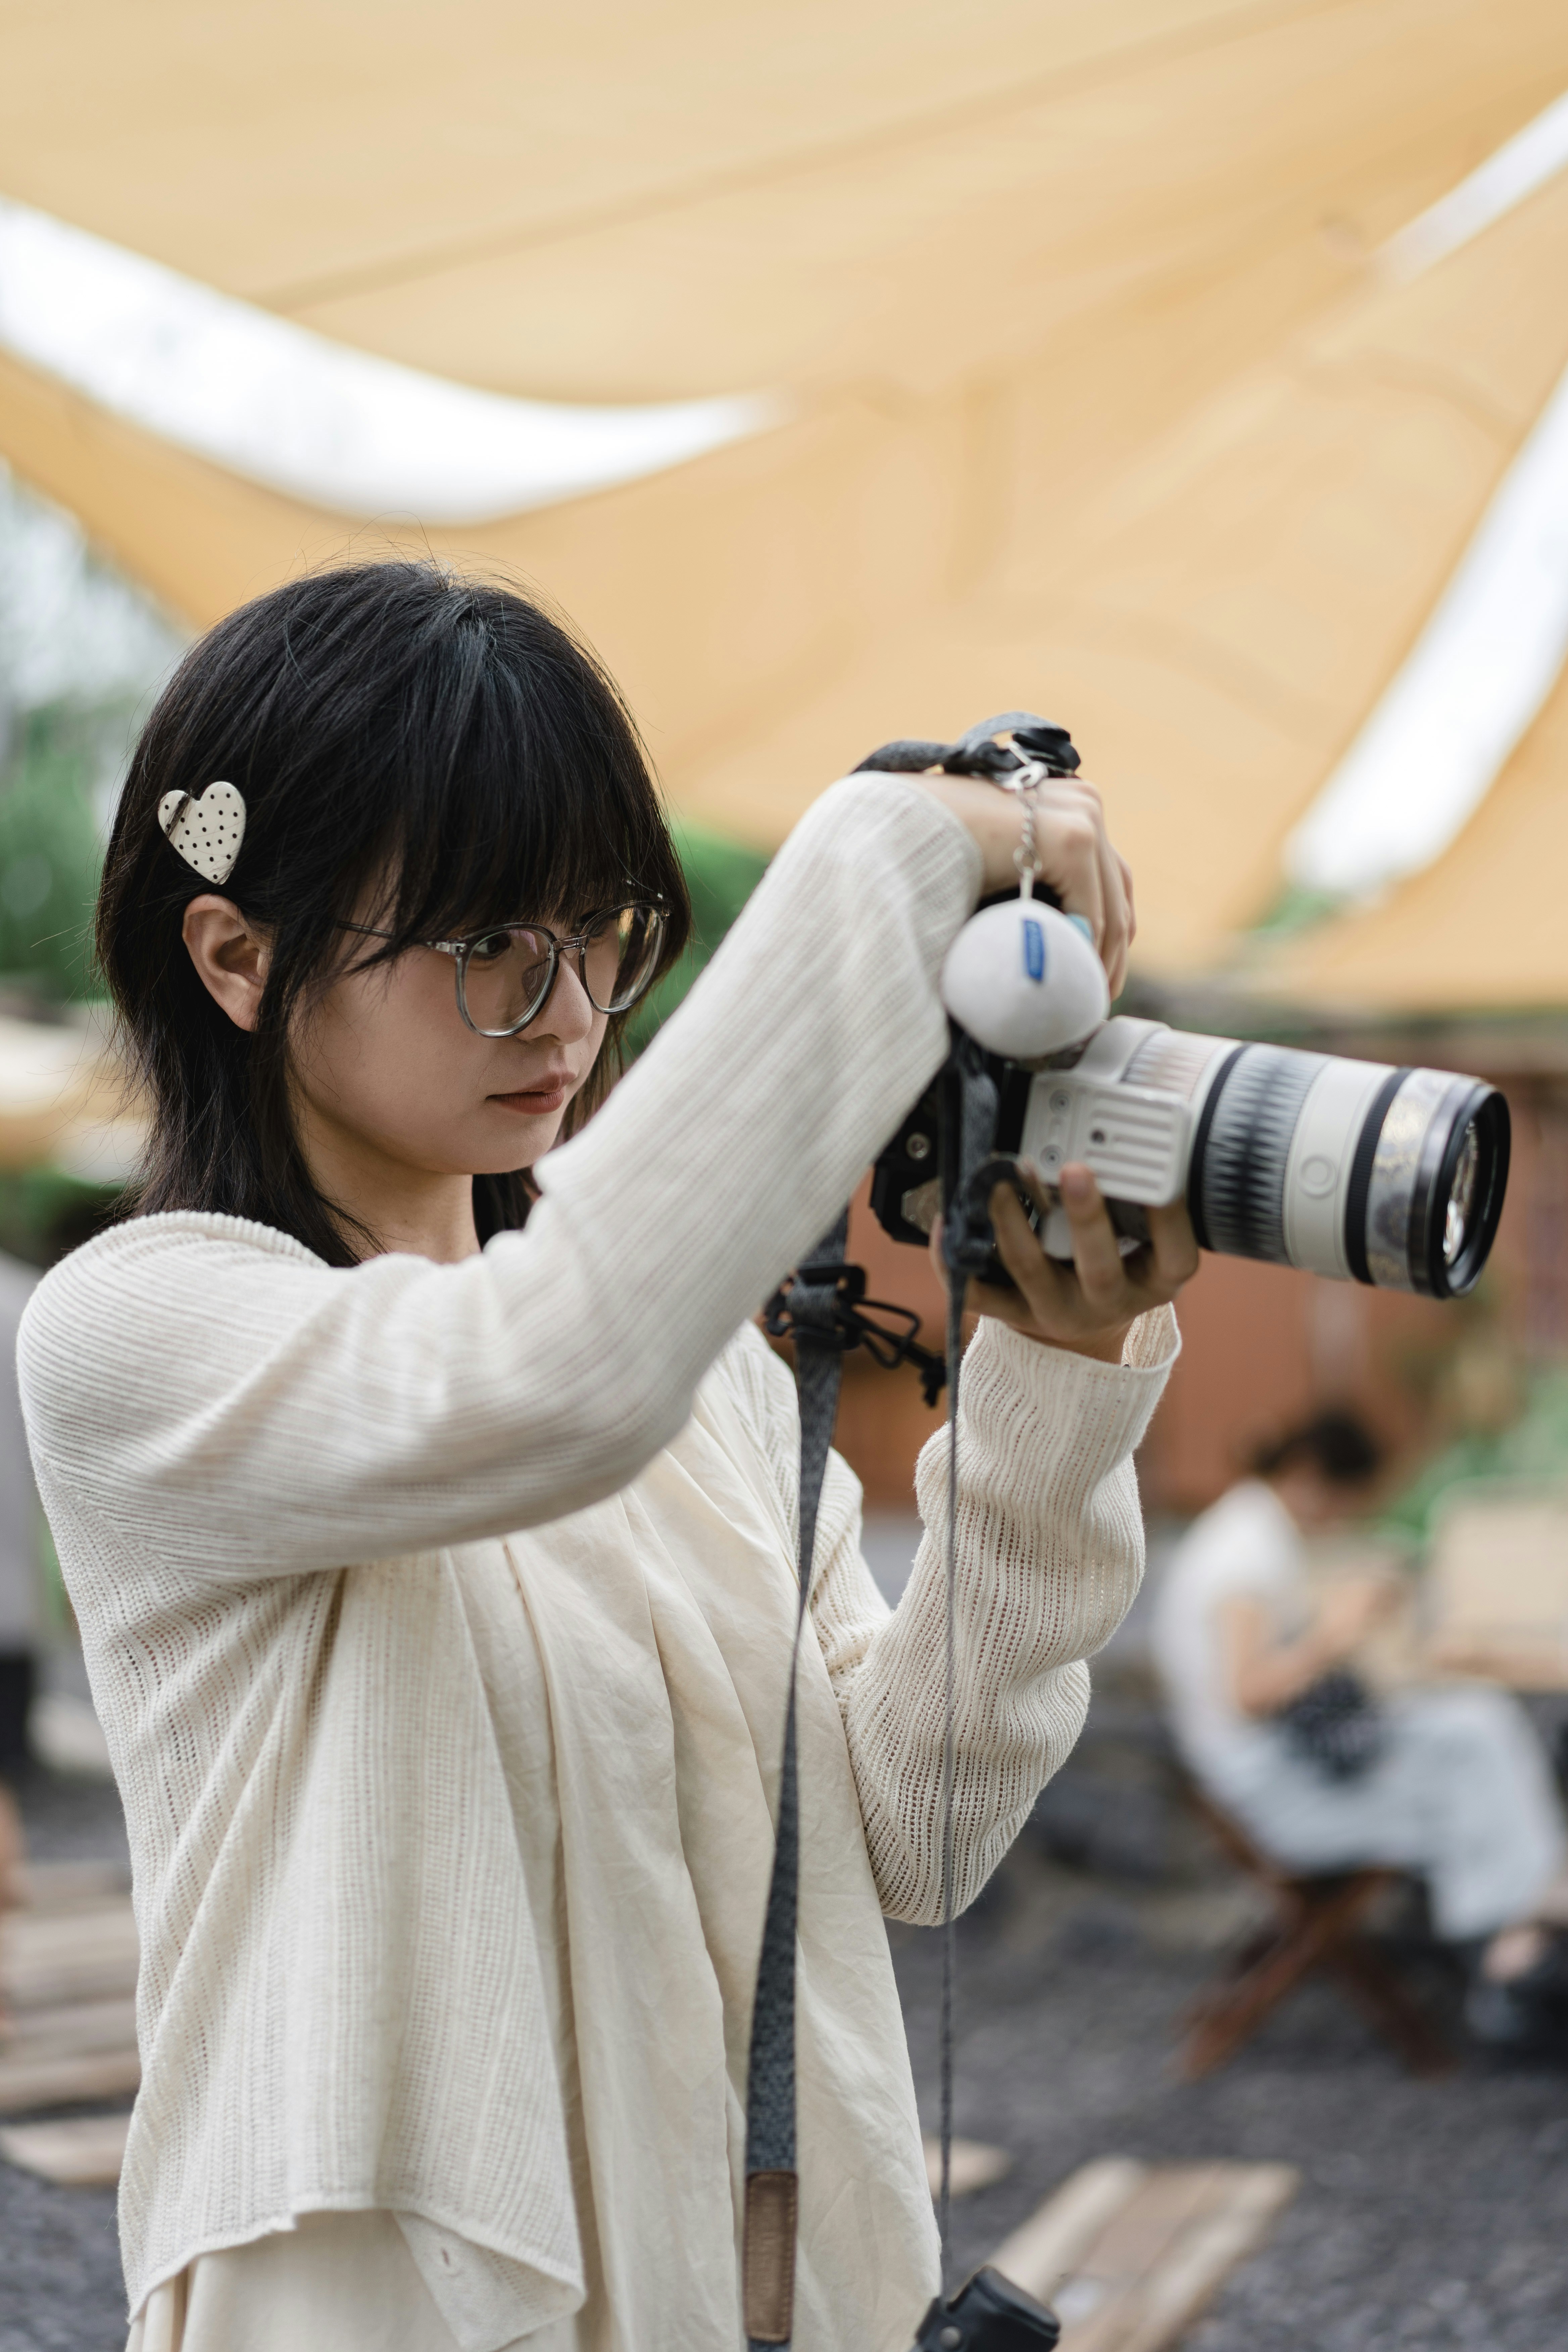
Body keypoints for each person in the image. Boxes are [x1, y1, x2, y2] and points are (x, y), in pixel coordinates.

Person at [18, 563, 1196, 2352]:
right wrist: (880, 866)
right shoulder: (144, 1330)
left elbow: (915, 1828)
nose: (570, 1012)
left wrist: (1058, 1368)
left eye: (606, 936)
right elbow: (547, 1377)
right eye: (491, 946)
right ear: (236, 957)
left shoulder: (700, 1380)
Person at [1151, 1410, 1568, 2048]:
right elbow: (1249, 1692)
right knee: (1477, 1744)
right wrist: (1338, 1631)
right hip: (1276, 1792)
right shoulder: (1245, 1554)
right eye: (1348, 1502)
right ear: (1311, 1478)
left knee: (1472, 1732)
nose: (1345, 1520)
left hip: (1269, 1769)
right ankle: (1518, 1954)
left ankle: (1513, 1945)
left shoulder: (1246, 1532)